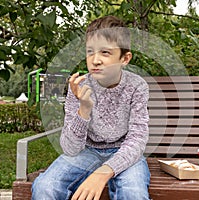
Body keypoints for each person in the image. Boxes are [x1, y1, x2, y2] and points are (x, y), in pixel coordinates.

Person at [32, 15, 150, 200]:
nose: (95, 60)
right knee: (45, 187)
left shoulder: (136, 86)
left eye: (105, 52)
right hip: (86, 151)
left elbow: (137, 140)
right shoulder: (79, 87)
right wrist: (83, 109)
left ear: (125, 58)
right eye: (90, 51)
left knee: (133, 193)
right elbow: (70, 149)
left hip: (124, 152)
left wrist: (104, 172)